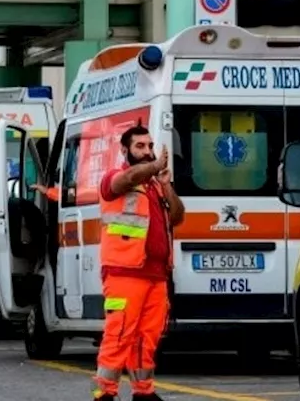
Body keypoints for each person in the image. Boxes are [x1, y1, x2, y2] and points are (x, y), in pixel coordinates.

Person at [92, 125, 185, 401]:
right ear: (125, 150)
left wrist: (166, 185)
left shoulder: (156, 185)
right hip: (125, 272)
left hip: (156, 274)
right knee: (119, 334)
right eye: (140, 147)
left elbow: (178, 216)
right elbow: (130, 176)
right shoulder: (115, 177)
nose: (146, 151)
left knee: (148, 337)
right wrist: (155, 166)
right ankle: (103, 393)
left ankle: (143, 393)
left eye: (149, 146)